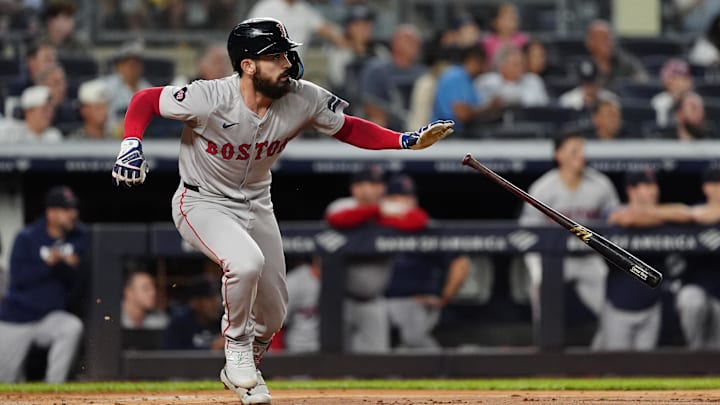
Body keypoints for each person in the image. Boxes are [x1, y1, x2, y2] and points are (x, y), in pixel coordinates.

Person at [110, 17, 453, 405]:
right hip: (202, 200)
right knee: (245, 264)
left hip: (257, 202)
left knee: (274, 313)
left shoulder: (301, 96)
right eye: (274, 56)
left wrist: (403, 141)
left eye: (286, 54)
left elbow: (349, 128)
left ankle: (248, 372)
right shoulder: (212, 96)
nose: (287, 63)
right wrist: (130, 143)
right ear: (248, 65)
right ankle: (236, 348)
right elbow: (145, 101)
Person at [519, 132, 620, 335]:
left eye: (582, 150)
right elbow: (528, 232)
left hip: (587, 257)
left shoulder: (601, 185)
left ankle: (605, 351)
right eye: (574, 151)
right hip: (552, 256)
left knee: (609, 308)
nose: (581, 155)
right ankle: (544, 351)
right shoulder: (543, 188)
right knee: (541, 292)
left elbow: (614, 220)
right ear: (559, 155)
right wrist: (537, 266)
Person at [593, 170, 692, 351]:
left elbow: (685, 214)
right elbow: (627, 218)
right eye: (646, 186)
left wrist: (654, 214)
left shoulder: (663, 212)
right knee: (617, 370)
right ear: (631, 191)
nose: (653, 190)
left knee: (645, 371)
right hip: (618, 307)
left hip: (651, 307)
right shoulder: (615, 210)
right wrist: (661, 216)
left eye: (653, 185)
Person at [0, 186, 88, 383]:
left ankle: (53, 388)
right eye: (66, 210)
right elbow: (18, 280)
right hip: (16, 318)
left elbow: (80, 279)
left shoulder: (80, 237)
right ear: (51, 213)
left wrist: (68, 266)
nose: (73, 214)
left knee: (71, 327)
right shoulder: (27, 237)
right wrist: (47, 264)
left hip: (49, 317)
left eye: (74, 209)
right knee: (5, 381)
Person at [382, 174, 471, 350]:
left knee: (414, 341)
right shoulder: (376, 227)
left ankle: (441, 371)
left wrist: (443, 297)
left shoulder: (428, 228)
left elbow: (461, 263)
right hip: (378, 301)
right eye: (396, 197)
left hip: (416, 301)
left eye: (408, 197)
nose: (403, 202)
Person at [677, 167, 720, 349]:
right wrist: (693, 215)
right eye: (715, 183)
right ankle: (692, 356)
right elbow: (688, 213)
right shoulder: (694, 211)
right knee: (690, 299)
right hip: (699, 286)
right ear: (706, 187)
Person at [361, 24, 426, 131]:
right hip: (387, 125)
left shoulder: (423, 74)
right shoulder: (377, 70)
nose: (415, 45)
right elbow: (369, 103)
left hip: (418, 125)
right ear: (395, 43)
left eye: (417, 42)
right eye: (409, 40)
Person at [432, 44, 501, 135]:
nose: (485, 69)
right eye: (483, 64)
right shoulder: (455, 76)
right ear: (474, 61)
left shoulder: (469, 80)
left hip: (461, 133)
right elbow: (462, 114)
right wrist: (488, 107)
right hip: (446, 136)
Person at [247, 0, 347, 58]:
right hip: (268, 63)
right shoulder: (265, 7)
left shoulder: (304, 10)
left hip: (294, 68)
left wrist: (345, 41)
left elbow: (325, 29)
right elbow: (249, 35)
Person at [103, 40, 152, 138]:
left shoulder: (148, 88)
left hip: (144, 137)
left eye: (136, 64)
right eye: (128, 64)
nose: (132, 68)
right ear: (118, 66)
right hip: (111, 137)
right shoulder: (106, 86)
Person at [474, 45, 549, 109]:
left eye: (522, 64)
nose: (521, 68)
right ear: (502, 66)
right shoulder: (485, 81)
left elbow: (543, 107)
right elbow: (477, 108)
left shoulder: (534, 80)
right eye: (515, 64)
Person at [584, 20, 649, 92]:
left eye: (609, 38)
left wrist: (634, 81)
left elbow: (643, 79)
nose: (607, 43)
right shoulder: (584, 66)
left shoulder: (625, 62)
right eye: (601, 39)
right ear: (589, 42)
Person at [162, 276, 223, 350]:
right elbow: (170, 355)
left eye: (218, 297)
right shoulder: (180, 323)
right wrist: (211, 348)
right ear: (195, 302)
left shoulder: (227, 321)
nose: (216, 303)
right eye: (209, 299)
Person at [283, 256, 321, 353]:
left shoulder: (335, 280)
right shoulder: (295, 281)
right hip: (296, 345)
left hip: (323, 347)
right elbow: (280, 320)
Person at [651, 59, 694, 128]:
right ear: (668, 81)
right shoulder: (660, 101)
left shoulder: (694, 99)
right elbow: (662, 126)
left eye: (686, 76)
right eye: (677, 77)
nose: (684, 81)